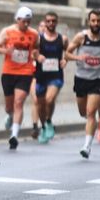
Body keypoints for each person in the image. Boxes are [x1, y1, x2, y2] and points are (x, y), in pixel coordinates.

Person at [65, 9, 100, 159]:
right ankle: (90, 127)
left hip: (97, 80)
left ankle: (87, 145)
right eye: (93, 21)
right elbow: (67, 53)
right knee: (83, 112)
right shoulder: (81, 37)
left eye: (98, 21)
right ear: (89, 22)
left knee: (91, 112)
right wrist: (78, 57)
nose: (96, 23)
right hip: (81, 79)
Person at [0, 7, 39, 150]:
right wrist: (5, 51)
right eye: (24, 21)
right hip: (8, 72)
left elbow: (36, 49)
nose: (26, 24)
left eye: (29, 21)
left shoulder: (34, 34)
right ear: (17, 19)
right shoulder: (7, 31)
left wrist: (37, 56)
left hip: (25, 72)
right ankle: (10, 116)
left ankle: (14, 135)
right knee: (9, 106)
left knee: (18, 102)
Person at [32, 12, 67, 143]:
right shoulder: (38, 38)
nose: (51, 23)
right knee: (40, 106)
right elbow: (32, 52)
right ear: (45, 23)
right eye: (48, 21)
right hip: (41, 76)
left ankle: (49, 120)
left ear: (57, 22)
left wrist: (65, 60)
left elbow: (68, 52)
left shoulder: (62, 39)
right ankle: (44, 126)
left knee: (49, 99)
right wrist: (37, 56)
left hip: (56, 76)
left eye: (53, 21)